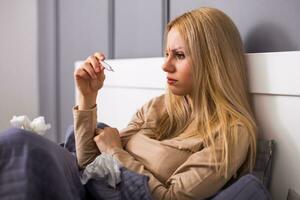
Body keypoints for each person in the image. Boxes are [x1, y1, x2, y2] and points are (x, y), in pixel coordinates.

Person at [73, 7, 257, 200]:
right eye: (167, 54)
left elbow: (170, 197)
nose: (165, 66)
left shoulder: (231, 134)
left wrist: (115, 151)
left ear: (213, 62)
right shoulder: (156, 107)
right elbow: (89, 164)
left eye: (179, 55)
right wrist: (87, 97)